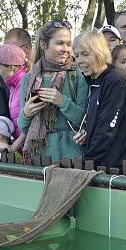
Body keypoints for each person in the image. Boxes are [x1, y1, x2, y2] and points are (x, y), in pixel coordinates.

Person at [18, 19, 89, 161]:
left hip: (73, 157)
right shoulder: (29, 79)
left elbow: (85, 120)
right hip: (40, 157)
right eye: (59, 43)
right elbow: (24, 128)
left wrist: (62, 101)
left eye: (68, 44)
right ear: (44, 45)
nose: (66, 49)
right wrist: (26, 113)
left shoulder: (77, 75)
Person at [73, 30, 126, 169]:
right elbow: (98, 122)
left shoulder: (113, 82)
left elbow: (107, 129)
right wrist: (87, 133)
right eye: (76, 56)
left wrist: (87, 162)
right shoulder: (93, 81)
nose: (79, 60)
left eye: (85, 54)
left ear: (99, 52)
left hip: (114, 167)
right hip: (100, 165)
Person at [0, 43, 28, 130]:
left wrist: (15, 144)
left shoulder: (26, 85)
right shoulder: (13, 86)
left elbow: (30, 124)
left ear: (11, 67)